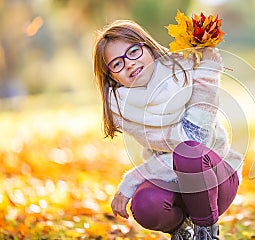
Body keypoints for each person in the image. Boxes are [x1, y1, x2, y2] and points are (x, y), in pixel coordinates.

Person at [93, 20, 243, 240]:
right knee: (146, 204)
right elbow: (174, 149)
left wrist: (207, 74)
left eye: (133, 51)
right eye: (116, 64)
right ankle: (182, 231)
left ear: (147, 47)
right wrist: (136, 181)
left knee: (189, 152)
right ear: (112, 76)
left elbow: (195, 139)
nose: (129, 64)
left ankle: (206, 232)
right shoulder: (122, 108)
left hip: (216, 177)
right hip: (172, 181)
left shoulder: (185, 67)